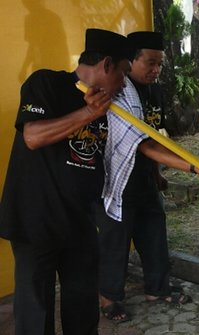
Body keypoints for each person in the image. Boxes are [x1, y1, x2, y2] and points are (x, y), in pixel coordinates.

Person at [0, 28, 131, 335]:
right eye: (123, 73)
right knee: (36, 311)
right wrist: (87, 113)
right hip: (36, 220)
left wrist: (194, 168)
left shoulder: (107, 104)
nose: (124, 82)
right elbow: (32, 136)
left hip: (79, 221)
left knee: (83, 308)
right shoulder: (46, 82)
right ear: (107, 64)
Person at [95, 31, 199, 322]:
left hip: (145, 178)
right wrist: (198, 169)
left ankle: (156, 288)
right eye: (150, 62)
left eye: (160, 63)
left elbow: (157, 136)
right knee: (115, 241)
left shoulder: (154, 91)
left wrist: (158, 175)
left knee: (154, 234)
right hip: (118, 180)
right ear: (129, 61)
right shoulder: (119, 90)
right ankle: (109, 297)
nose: (156, 69)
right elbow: (142, 144)